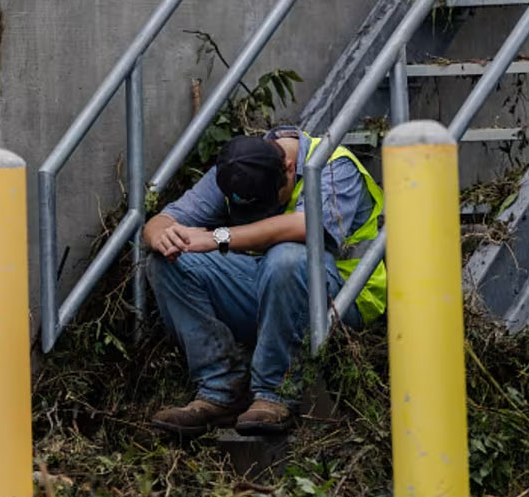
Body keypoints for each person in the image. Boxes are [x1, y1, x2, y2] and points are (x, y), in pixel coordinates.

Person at [142, 126, 387, 436]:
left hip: (342, 300)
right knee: (168, 262)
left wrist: (218, 237)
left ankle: (275, 393)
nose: (262, 213)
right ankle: (220, 390)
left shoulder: (332, 163)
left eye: (270, 201)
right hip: (270, 287)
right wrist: (163, 236)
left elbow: (306, 225)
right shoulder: (240, 166)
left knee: (287, 256)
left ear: (286, 167)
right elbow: (162, 220)